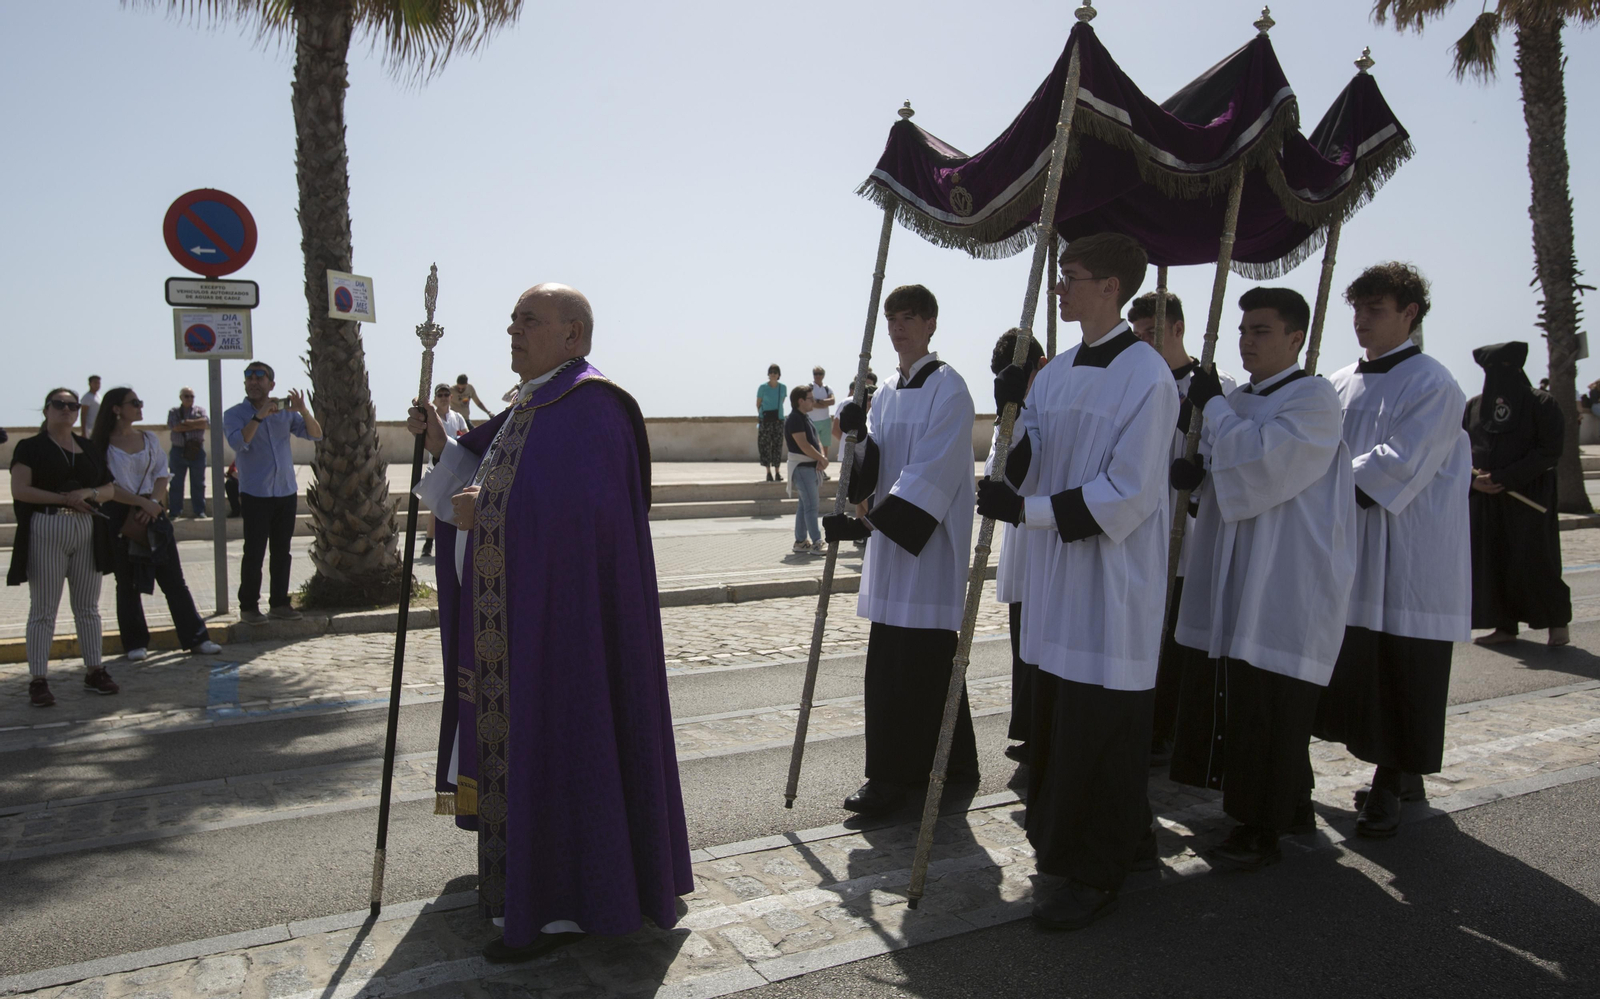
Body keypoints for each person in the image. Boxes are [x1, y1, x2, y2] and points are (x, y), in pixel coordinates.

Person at [408, 281, 691, 963]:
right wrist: (450, 453)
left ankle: (564, 904)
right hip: (524, 619)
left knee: (568, 737)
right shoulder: (530, 403)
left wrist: (489, 512)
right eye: (511, 320)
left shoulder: (593, 407)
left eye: (528, 320)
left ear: (574, 335)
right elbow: (493, 471)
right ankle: (531, 887)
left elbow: (580, 516)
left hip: (568, 628)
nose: (513, 330)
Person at [977, 233, 1175, 931]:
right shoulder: (1055, 371)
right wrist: (1012, 416)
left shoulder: (1147, 376)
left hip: (1113, 586)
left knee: (1104, 730)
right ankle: (1110, 843)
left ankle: (1097, 869)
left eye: (1072, 276)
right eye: (1060, 275)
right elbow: (1031, 458)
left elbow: (1127, 493)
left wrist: (1023, 511)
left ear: (1111, 288)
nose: (1060, 288)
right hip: (1061, 579)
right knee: (1066, 727)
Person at [1167, 288, 1357, 870]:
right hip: (1234, 567)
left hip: (1286, 575)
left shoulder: (1314, 398)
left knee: (1272, 703)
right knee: (1243, 693)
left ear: (1296, 338)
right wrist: (1196, 478)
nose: (1247, 341)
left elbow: (1266, 465)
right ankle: (1283, 806)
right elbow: (1229, 482)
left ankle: (1260, 826)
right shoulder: (1240, 398)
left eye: (1263, 331)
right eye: (1244, 330)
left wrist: (1216, 412)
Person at [1311, 262, 1471, 839]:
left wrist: (1317, 488)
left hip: (1406, 554)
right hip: (1350, 547)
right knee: (1356, 666)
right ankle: (1398, 771)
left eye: (1375, 310)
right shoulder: (1335, 382)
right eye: (1357, 309)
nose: (1361, 321)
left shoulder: (1434, 384)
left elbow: (1396, 463)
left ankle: (1391, 781)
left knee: (1404, 667)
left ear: (1410, 314)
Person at [823, 284, 979, 816]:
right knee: (910, 661)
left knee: (913, 665)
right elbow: (877, 466)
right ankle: (956, 761)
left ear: (931, 323)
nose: (898, 328)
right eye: (891, 319)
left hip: (927, 547)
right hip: (892, 547)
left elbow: (930, 474)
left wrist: (870, 522)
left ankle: (892, 777)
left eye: (909, 318)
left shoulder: (951, 390)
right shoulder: (885, 391)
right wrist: (857, 437)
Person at [1127, 291, 1239, 765]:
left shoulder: (1216, 387)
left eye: (1151, 334)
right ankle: (1145, 723)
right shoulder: (1135, 385)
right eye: (1136, 337)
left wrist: (1201, 478)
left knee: (1180, 639)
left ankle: (1173, 728)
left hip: (1191, 536)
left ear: (1177, 329)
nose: (1144, 345)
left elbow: (1233, 449)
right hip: (1142, 531)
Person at [9, 388, 121, 706]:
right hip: (47, 525)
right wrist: (63, 498)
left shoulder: (86, 447)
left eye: (72, 405)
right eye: (59, 404)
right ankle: (38, 679)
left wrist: (88, 493)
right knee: (43, 609)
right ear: (46, 409)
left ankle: (95, 670)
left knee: (88, 607)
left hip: (85, 527)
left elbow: (109, 488)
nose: (66, 410)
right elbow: (21, 489)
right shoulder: (30, 447)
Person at [91, 388, 221, 661]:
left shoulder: (148, 439)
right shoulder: (101, 445)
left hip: (153, 514)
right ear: (116, 409)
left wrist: (151, 503)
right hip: (121, 516)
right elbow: (106, 486)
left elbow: (162, 475)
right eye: (134, 403)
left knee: (173, 580)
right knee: (126, 582)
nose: (140, 407)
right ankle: (135, 642)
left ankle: (196, 638)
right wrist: (141, 503)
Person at [1465, 342, 1571, 647]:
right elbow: (1460, 450)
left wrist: (1507, 477)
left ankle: (1556, 623)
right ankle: (1503, 625)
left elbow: (1549, 451)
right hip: (1487, 499)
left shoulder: (1541, 403)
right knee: (1493, 561)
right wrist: (1474, 482)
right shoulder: (1474, 407)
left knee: (1537, 559)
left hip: (1530, 497)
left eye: (1505, 368)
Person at [986, 330, 1047, 765]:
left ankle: (1046, 734)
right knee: (1023, 644)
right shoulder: (1014, 409)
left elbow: (1034, 468)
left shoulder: (1054, 402)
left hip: (1051, 538)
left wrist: (1019, 414)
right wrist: (1008, 412)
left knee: (1045, 648)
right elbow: (997, 472)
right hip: (1024, 545)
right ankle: (1028, 729)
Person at [223, 361, 323, 625]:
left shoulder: (285, 414)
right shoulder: (234, 414)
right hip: (256, 493)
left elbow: (316, 435)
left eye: (260, 377)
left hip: (285, 491)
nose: (254, 382)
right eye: (249, 377)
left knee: (282, 551)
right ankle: (248, 607)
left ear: (271, 385)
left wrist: (303, 410)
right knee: (254, 552)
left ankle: (279, 603)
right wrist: (258, 418)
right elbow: (238, 442)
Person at [421, 384, 469, 559]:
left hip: (455, 468)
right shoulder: (431, 418)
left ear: (451, 397)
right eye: (439, 394)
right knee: (435, 509)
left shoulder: (458, 417)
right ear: (435, 398)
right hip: (436, 468)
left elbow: (467, 435)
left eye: (446, 394)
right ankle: (428, 543)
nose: (443, 397)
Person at [785, 383, 829, 552]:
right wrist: (822, 458)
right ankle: (817, 541)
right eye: (810, 399)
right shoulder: (795, 418)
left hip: (809, 467)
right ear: (800, 401)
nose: (814, 402)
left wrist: (821, 458)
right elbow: (803, 445)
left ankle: (801, 541)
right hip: (802, 468)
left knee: (804, 505)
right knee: (811, 505)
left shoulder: (804, 417)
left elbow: (814, 440)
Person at [166, 386, 209, 518]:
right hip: (178, 450)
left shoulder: (200, 410)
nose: (189, 399)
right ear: (181, 397)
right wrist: (194, 424)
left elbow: (205, 423)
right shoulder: (174, 412)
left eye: (192, 396)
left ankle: (199, 510)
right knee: (176, 483)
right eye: (186, 396)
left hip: (196, 450)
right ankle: (175, 511)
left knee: (198, 483)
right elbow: (175, 427)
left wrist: (185, 422)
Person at [756, 364, 787, 482]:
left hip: (778, 420)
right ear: (768, 374)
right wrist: (762, 415)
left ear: (779, 375)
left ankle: (777, 472)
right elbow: (758, 403)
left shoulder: (783, 387)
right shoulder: (762, 387)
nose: (773, 374)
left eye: (775, 372)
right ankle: (768, 472)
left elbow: (782, 401)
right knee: (765, 446)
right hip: (765, 420)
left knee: (777, 446)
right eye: (771, 372)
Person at [810, 367, 835, 470]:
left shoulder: (827, 388)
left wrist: (819, 401)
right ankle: (813, 466)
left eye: (820, 374)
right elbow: (811, 403)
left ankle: (823, 468)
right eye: (816, 374)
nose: (818, 376)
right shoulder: (810, 387)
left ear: (823, 375)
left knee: (825, 445)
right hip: (812, 420)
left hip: (825, 420)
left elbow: (832, 401)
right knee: (814, 445)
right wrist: (824, 403)